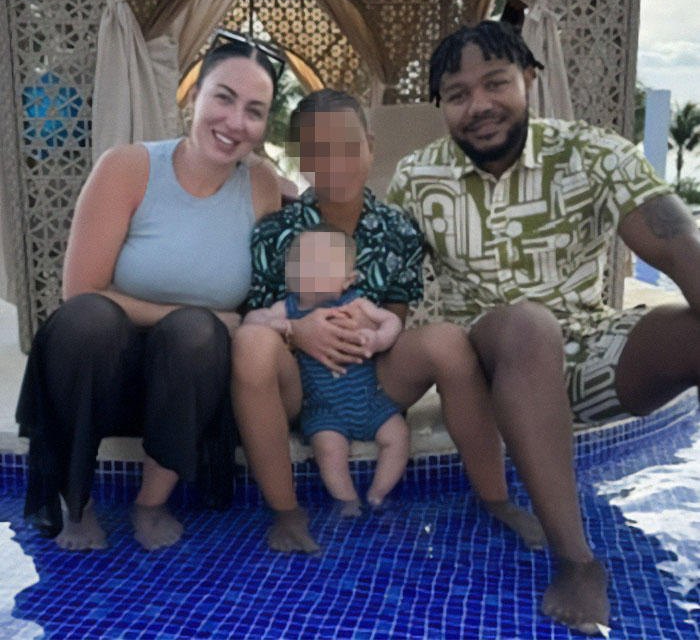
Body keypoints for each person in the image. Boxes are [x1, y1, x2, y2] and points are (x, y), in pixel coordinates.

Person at [387, 19, 700, 635]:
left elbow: (676, 243)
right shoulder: (417, 181)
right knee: (529, 327)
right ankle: (576, 561)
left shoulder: (594, 153)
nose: (478, 107)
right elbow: (384, 283)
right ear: (442, 107)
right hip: (491, 359)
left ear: (529, 80)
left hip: (590, 350)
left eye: (496, 83)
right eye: (457, 95)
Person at [233, 88, 545, 554]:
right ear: (301, 159)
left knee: (447, 342)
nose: (334, 162)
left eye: (347, 147)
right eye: (318, 151)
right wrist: (301, 332)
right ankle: (286, 512)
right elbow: (257, 319)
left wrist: (368, 334)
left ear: (370, 146)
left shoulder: (397, 230)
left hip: (371, 377)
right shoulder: (276, 232)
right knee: (252, 345)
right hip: (303, 384)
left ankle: (495, 497)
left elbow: (395, 318)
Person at [15, 36, 283, 551]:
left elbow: (271, 278)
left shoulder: (261, 185)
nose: (234, 122)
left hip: (189, 385)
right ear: (193, 98)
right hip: (102, 377)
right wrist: (190, 311)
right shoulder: (128, 167)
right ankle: (77, 499)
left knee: (197, 334)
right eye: (223, 98)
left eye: (254, 111)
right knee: (88, 321)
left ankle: (151, 502)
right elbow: (81, 291)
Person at [244, 224, 408, 516]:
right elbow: (253, 321)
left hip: (369, 401)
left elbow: (391, 321)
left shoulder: (357, 305)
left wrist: (379, 339)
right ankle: (347, 501)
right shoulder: (289, 308)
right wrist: (281, 326)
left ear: (348, 280)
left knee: (398, 436)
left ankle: (378, 493)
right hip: (323, 409)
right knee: (329, 451)